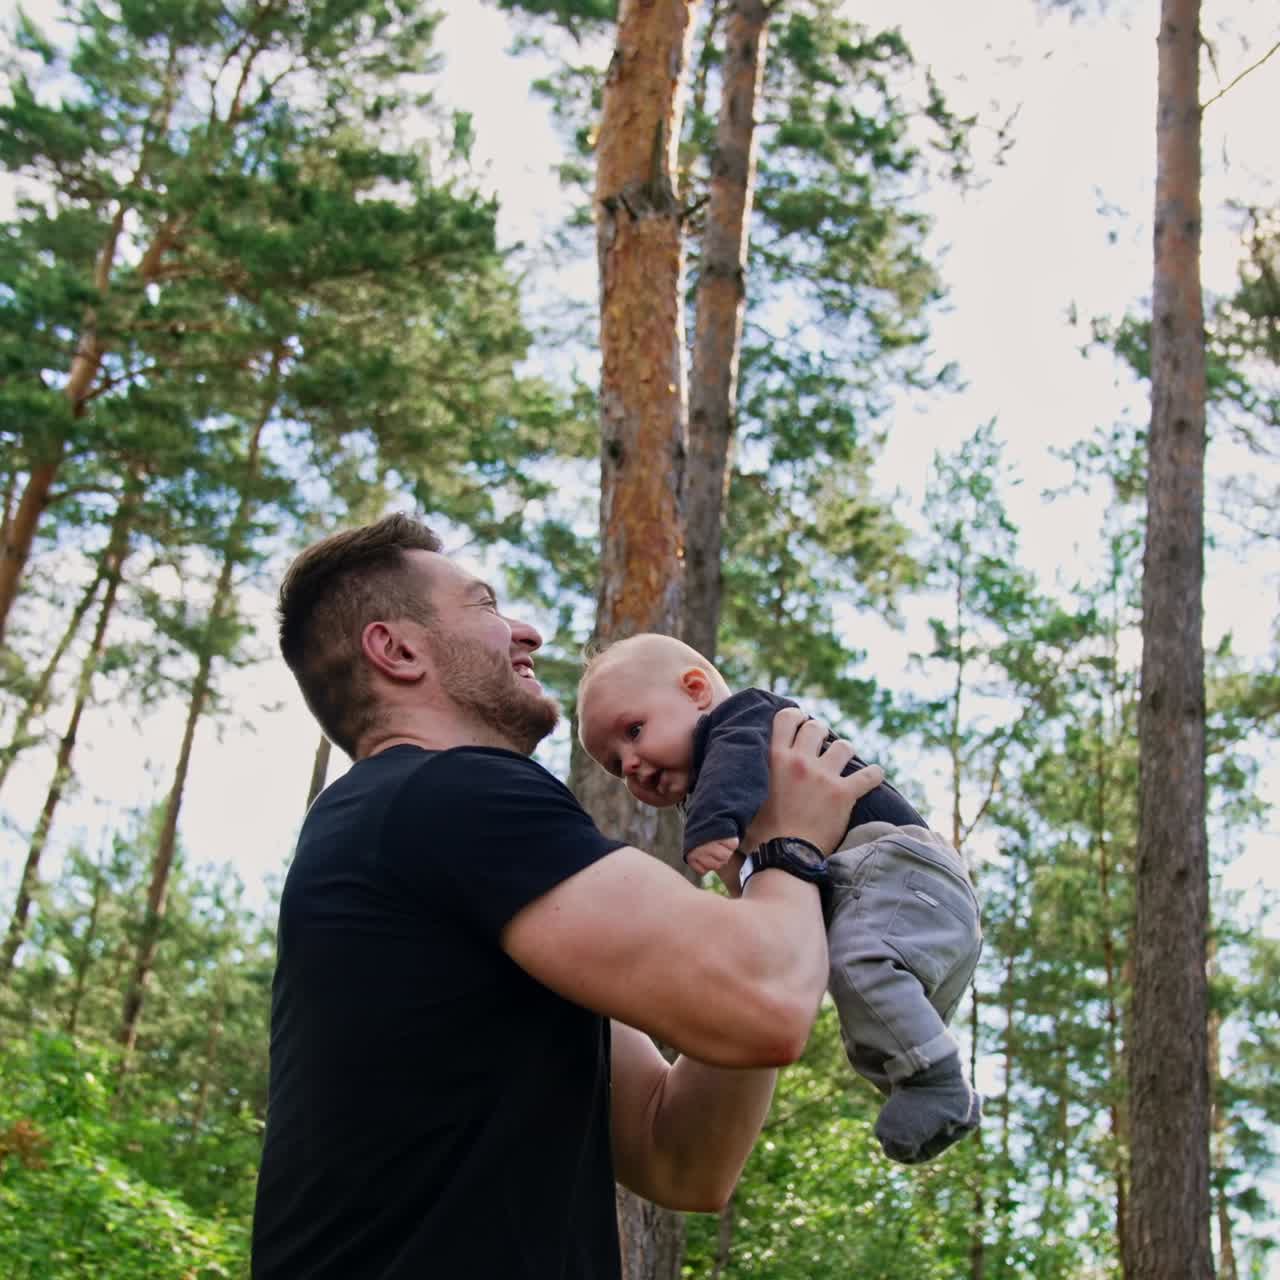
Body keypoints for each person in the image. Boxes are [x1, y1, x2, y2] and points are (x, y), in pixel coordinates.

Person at [251, 514, 889, 1280]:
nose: (527, 632)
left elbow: (681, 1157)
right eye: (485, 605)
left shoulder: (422, 843)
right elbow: (764, 1002)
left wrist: (760, 858)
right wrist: (790, 844)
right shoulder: (448, 795)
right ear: (397, 650)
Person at [577, 632, 984, 1165]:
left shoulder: (742, 720)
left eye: (634, 731)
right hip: (899, 901)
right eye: (614, 763)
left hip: (898, 869)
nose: (630, 763)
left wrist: (713, 826)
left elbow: (734, 773)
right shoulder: (709, 780)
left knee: (858, 966)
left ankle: (935, 1082)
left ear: (696, 690)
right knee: (866, 1015)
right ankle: (927, 1092)